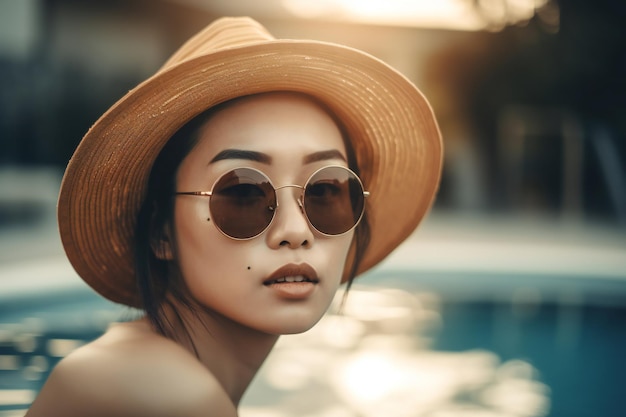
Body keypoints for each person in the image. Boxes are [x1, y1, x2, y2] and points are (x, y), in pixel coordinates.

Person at [26, 16, 442, 416]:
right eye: (243, 192)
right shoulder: (171, 397)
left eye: (323, 190)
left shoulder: (145, 367)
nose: (295, 232)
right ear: (160, 231)